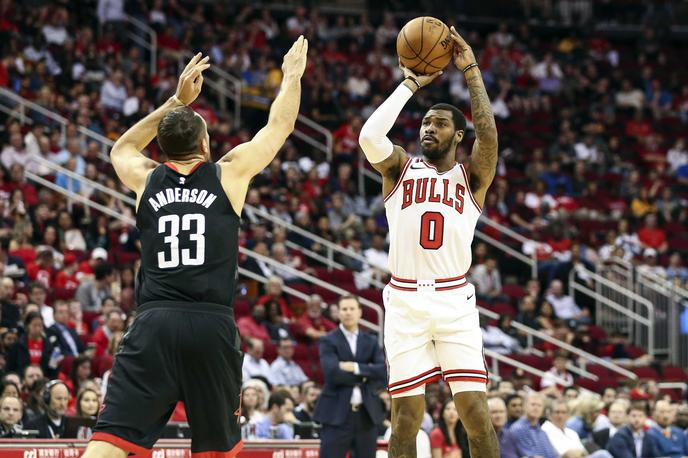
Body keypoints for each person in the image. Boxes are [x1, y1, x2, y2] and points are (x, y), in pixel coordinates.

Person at [82, 38, 308, 458]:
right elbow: (279, 127)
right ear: (205, 146)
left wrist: (175, 100)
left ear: (163, 150)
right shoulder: (228, 175)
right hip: (210, 325)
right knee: (217, 450)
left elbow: (120, 148)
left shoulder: (146, 178)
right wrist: (292, 75)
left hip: (154, 322)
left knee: (108, 443)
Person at [358, 26, 499, 457]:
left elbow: (488, 137)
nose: (427, 128)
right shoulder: (400, 169)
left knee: (476, 413)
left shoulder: (471, 178)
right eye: (424, 122)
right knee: (405, 418)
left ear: (458, 136)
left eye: (439, 123)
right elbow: (368, 138)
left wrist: (471, 72)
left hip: (455, 301)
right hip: (404, 301)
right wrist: (411, 84)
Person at [313, 295, 387, 458]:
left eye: (352, 309)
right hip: (336, 415)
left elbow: (382, 371)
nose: (348, 313)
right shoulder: (328, 340)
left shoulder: (371, 341)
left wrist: (354, 367)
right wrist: (367, 373)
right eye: (344, 309)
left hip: (366, 415)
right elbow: (332, 374)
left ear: (360, 312)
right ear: (338, 313)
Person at [6, 312, 60, 379]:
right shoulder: (18, 345)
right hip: (22, 380)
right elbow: (10, 367)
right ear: (27, 325)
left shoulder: (50, 346)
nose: (37, 329)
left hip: (43, 381)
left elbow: (53, 367)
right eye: (34, 325)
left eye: (40, 325)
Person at [510, 392, 558, 458]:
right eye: (533, 404)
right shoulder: (518, 428)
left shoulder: (542, 431)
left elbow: (553, 455)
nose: (536, 408)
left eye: (539, 405)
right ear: (524, 406)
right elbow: (530, 456)